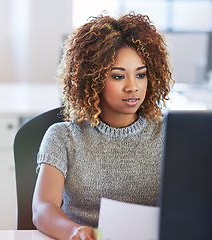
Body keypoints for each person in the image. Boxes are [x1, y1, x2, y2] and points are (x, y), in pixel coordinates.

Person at [32, 12, 173, 240]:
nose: (132, 87)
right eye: (118, 76)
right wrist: (73, 231)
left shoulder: (170, 135)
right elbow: (42, 208)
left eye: (141, 75)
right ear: (92, 79)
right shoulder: (63, 136)